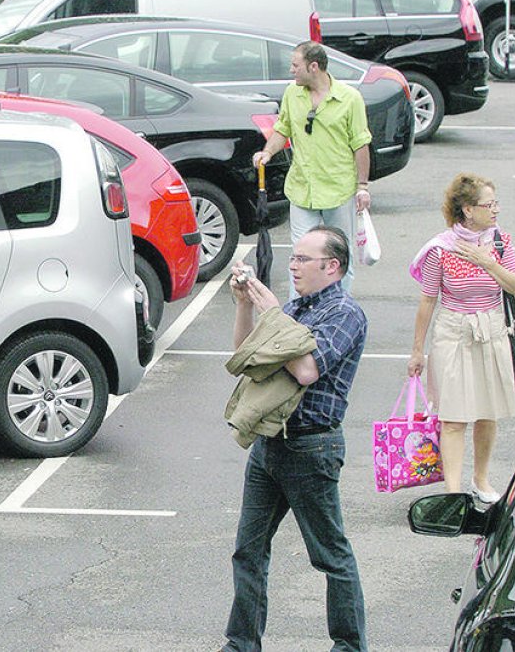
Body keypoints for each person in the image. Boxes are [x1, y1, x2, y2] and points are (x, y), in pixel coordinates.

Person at [220, 225, 369, 652]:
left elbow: (305, 369)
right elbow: (246, 354)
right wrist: (245, 305)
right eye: (294, 257)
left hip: (311, 447)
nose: (294, 265)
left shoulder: (344, 313)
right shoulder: (297, 308)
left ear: (332, 266)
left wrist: (271, 312)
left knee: (330, 555)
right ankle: (241, 644)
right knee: (248, 552)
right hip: (270, 441)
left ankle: (350, 646)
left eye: (304, 259)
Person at [407, 173, 515, 504]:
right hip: (453, 332)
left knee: (488, 413)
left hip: (491, 330)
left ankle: (481, 479)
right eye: (490, 204)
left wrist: (487, 262)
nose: (496, 210)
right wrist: (417, 352)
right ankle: (453, 492)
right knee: (454, 418)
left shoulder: (500, 242)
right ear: (468, 210)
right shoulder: (440, 250)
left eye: (496, 203)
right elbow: (428, 300)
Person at [251, 41, 373, 296]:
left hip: (338, 190)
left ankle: (338, 309)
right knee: (301, 255)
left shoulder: (349, 99)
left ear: (314, 67)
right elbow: (282, 128)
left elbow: (361, 145)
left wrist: (362, 186)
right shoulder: (292, 94)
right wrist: (268, 152)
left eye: (296, 65)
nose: (291, 70)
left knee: (340, 255)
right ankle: (300, 313)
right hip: (302, 189)